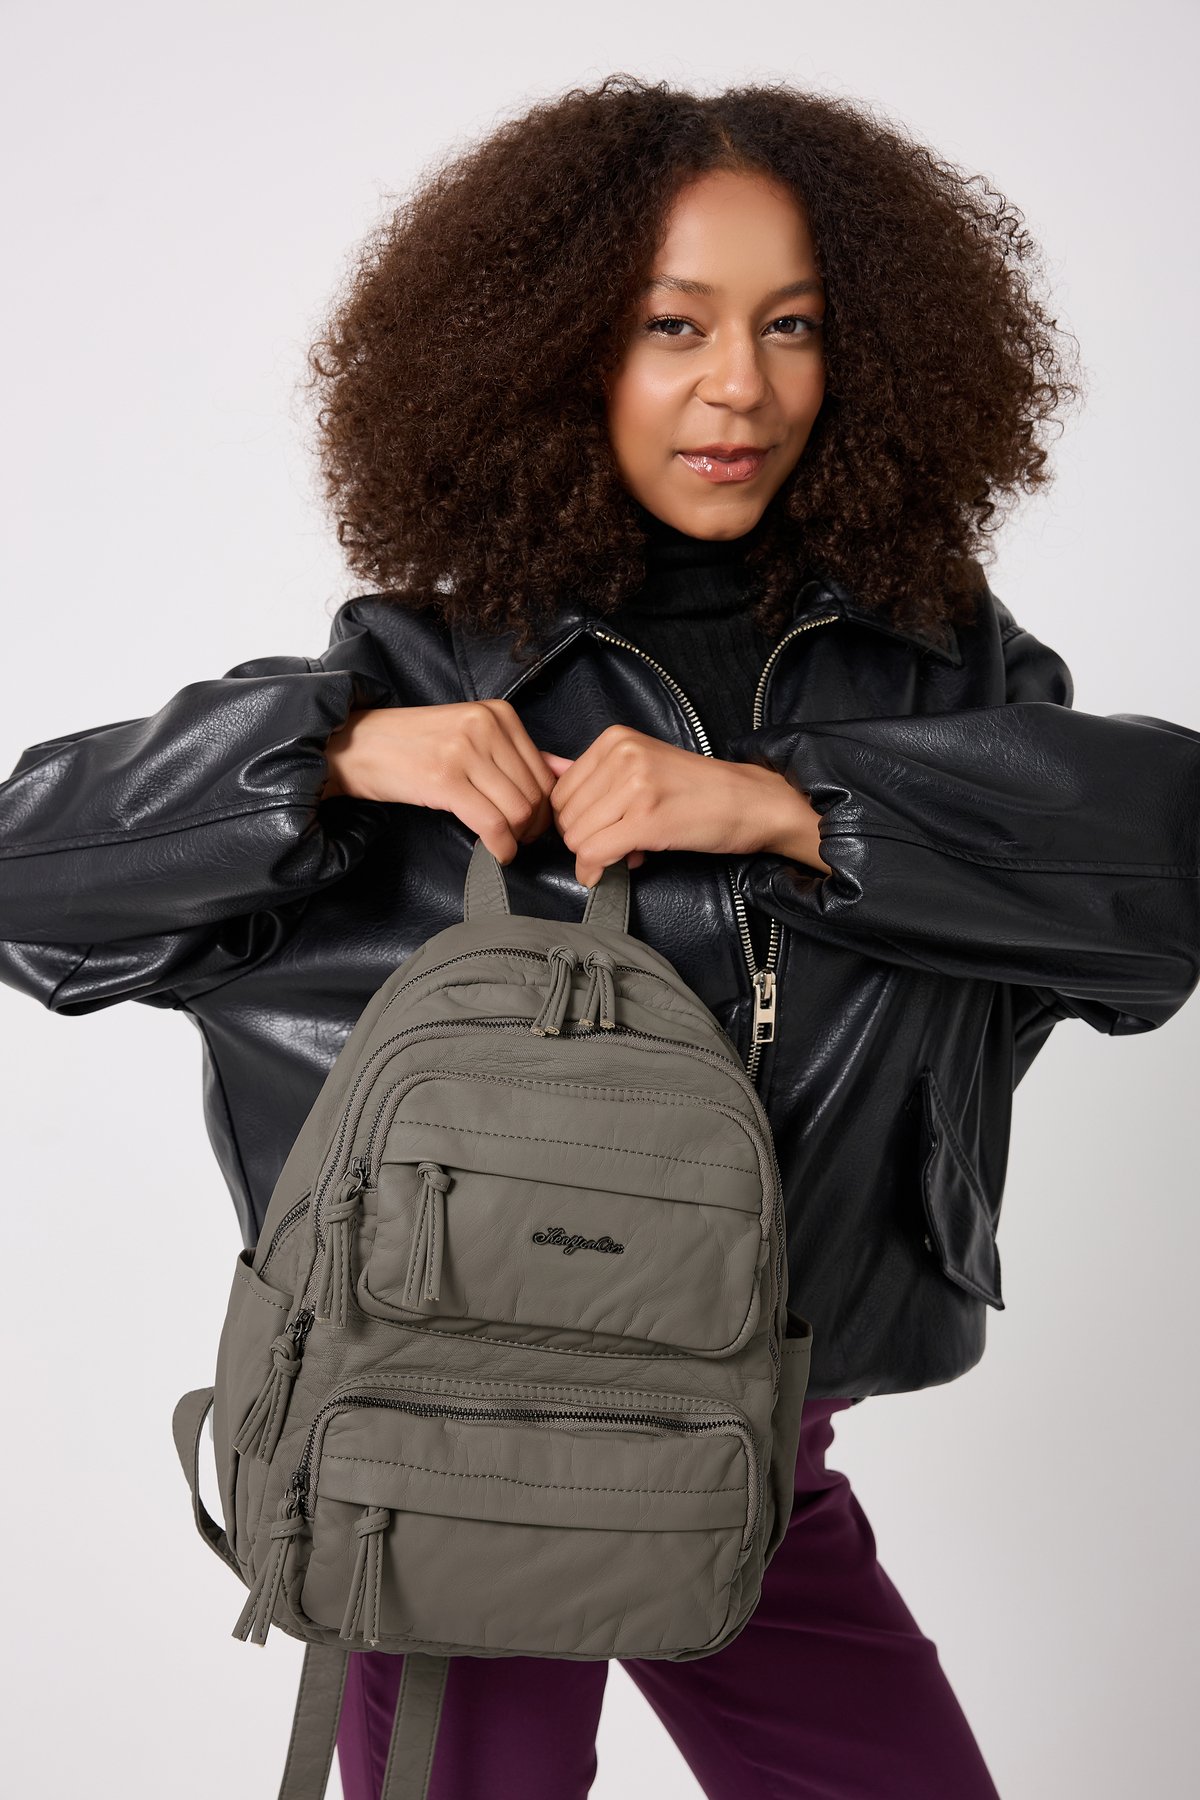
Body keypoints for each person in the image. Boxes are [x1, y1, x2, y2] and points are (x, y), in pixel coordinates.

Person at [2, 76, 1198, 1800]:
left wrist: (793, 807)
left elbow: (1154, 882)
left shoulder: (940, 671)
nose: (742, 386)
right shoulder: (417, 670)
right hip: (445, 1435)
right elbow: (32, 876)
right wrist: (329, 759)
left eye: (794, 325)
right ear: (557, 348)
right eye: (673, 325)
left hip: (753, 1433)